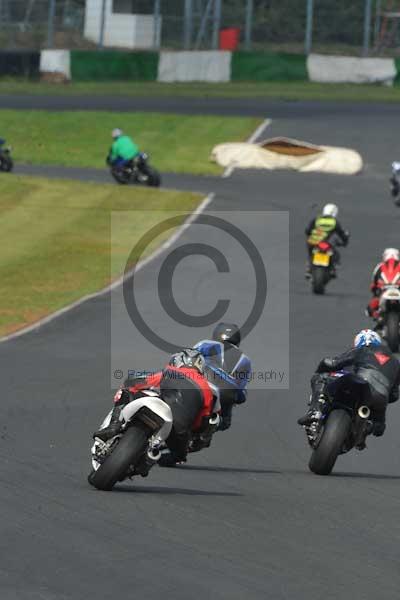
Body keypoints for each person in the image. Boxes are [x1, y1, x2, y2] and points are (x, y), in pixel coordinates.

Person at [93, 348, 218, 467]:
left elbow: (140, 382)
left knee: (128, 388)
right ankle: (149, 461)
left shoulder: (171, 371)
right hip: (179, 431)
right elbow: (201, 421)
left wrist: (129, 387)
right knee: (179, 456)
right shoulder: (207, 389)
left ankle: (114, 425)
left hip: (159, 410)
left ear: (178, 361)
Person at [297, 329, 400, 437]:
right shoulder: (396, 361)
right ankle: (365, 429)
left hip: (358, 384)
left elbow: (331, 363)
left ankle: (315, 412)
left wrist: (320, 371)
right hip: (380, 398)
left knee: (320, 378)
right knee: (379, 427)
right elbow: (394, 395)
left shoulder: (362, 349)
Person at [194, 322, 251, 432]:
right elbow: (241, 393)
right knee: (225, 422)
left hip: (201, 383)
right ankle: (207, 429)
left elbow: (189, 355)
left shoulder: (206, 344)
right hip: (224, 394)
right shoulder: (245, 360)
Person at [305, 203, 349, 277]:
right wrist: (344, 242)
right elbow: (341, 234)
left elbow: (307, 231)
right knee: (336, 254)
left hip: (312, 242)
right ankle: (333, 269)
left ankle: (309, 268)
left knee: (310, 255)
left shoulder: (317, 219)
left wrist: (311, 235)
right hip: (324, 244)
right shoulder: (334, 222)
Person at [366, 248, 400, 320]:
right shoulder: (381, 266)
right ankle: (378, 317)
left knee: (370, 309)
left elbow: (374, 282)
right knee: (371, 308)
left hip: (385, 292)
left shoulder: (379, 266)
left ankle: (378, 317)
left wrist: (374, 290)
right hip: (389, 293)